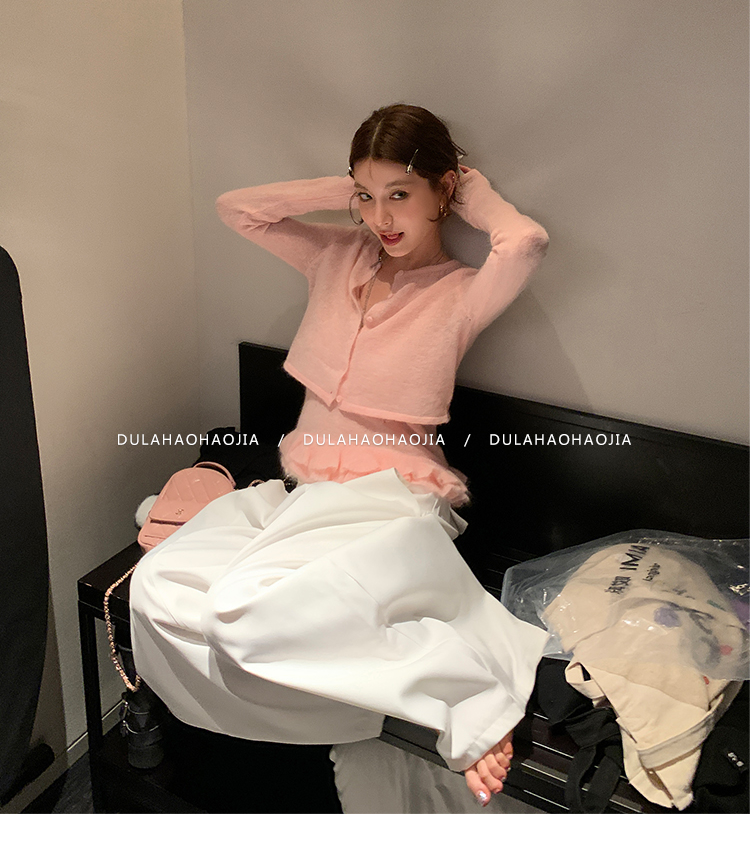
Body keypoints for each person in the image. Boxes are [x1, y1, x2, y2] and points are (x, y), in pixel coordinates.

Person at [129, 103, 551, 808]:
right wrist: (350, 189)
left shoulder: (458, 293)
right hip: (308, 499)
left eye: (400, 195)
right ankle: (390, 688)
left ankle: (473, 689)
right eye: (368, 198)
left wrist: (466, 190)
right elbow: (238, 210)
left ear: (441, 190)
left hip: (394, 505)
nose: (382, 218)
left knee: (242, 614)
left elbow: (525, 241)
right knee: (159, 586)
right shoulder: (336, 256)